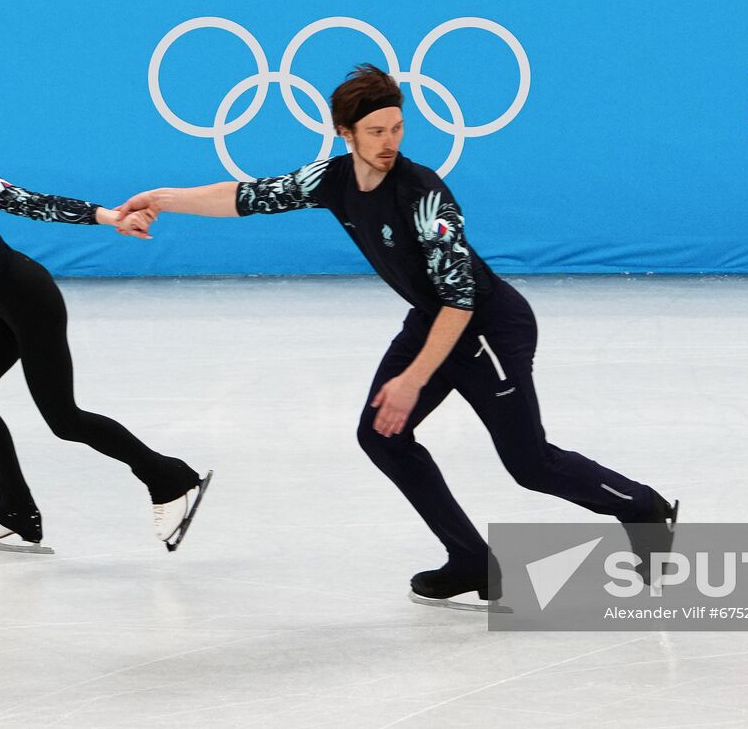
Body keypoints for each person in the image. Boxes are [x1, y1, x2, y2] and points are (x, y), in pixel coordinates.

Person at [119, 65, 677, 609]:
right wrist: (163, 199)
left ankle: (643, 508)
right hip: (431, 322)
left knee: (529, 465)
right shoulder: (333, 180)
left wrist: (413, 380)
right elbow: (247, 196)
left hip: (487, 329)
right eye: (375, 132)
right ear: (346, 133)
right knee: (381, 436)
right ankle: (472, 561)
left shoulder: (424, 196)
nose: (389, 142)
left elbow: (461, 300)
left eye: (397, 128)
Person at [0, 85, 208, 554]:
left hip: (30, 298)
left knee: (65, 419)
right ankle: (14, 510)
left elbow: (39, 204)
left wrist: (110, 216)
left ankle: (170, 478)